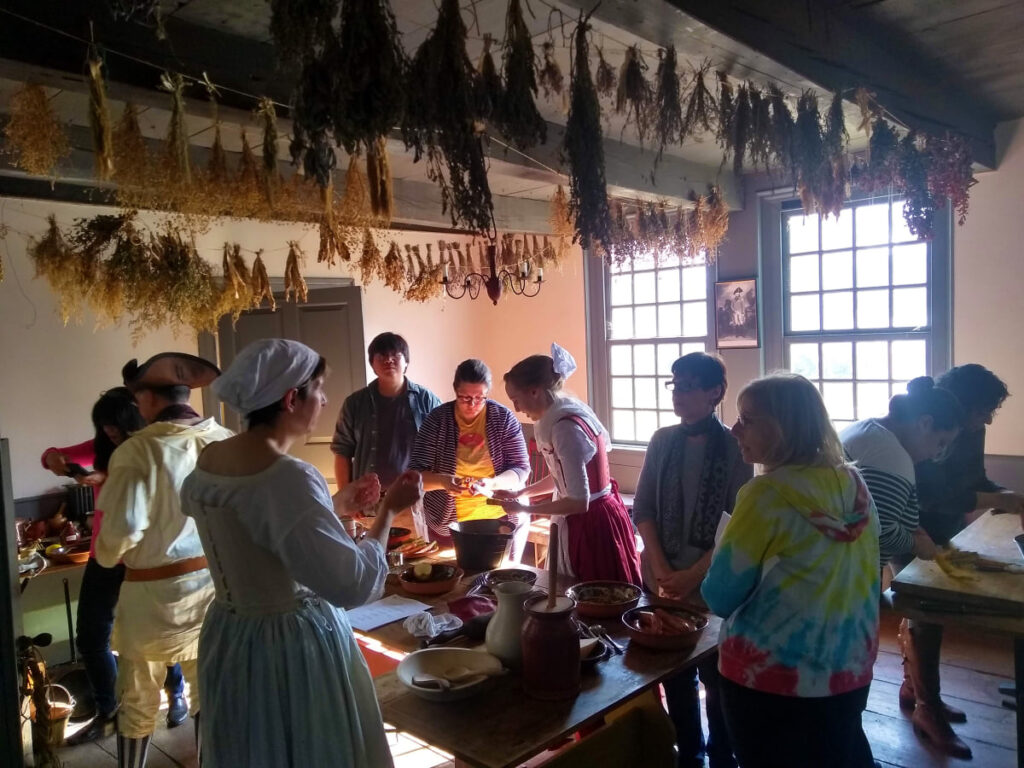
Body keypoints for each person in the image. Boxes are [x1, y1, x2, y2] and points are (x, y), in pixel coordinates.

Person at [181, 338, 423, 768]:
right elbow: (352, 584)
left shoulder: (211, 459)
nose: (326, 399)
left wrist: (338, 506)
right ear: (292, 398)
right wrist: (388, 510)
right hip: (289, 644)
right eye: (319, 389)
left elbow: (259, 534)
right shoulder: (288, 475)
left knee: (252, 743)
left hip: (231, 632)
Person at [702, 374, 879, 768]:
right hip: (849, 667)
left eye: (747, 419)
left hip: (771, 676)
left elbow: (719, 596)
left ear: (783, 428)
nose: (734, 430)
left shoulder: (765, 494)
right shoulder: (853, 483)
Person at [95, 353, 232, 768]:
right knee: (208, 692)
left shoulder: (138, 451)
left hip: (151, 596)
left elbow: (121, 531)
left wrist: (105, 553)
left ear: (147, 400)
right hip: (215, 589)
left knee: (138, 699)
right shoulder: (225, 439)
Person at [42, 389, 189, 744]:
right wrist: (58, 462)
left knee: (162, 633)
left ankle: (178, 694)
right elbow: (49, 455)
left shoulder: (152, 448)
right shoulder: (100, 447)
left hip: (147, 557)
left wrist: (103, 480)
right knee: (92, 636)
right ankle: (110, 710)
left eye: (114, 425)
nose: (109, 432)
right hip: (103, 556)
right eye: (103, 426)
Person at [633, 353, 751, 768]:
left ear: (715, 392)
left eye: (687, 385)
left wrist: (691, 575)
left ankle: (722, 753)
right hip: (662, 579)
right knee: (674, 674)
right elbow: (643, 508)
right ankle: (687, 749)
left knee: (718, 678)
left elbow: (736, 524)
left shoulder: (737, 447)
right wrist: (664, 571)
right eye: (674, 384)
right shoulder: (663, 440)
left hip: (712, 584)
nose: (677, 394)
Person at [906, 364, 1024, 759]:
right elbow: (930, 497)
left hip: (946, 525)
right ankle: (928, 709)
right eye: (984, 410)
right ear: (962, 405)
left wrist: (1009, 494)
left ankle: (915, 690)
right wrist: (997, 500)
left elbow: (975, 481)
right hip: (914, 525)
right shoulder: (931, 424)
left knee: (925, 616)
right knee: (927, 614)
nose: (987, 419)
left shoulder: (971, 426)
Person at [492, 344, 641, 584]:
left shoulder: (565, 429)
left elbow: (578, 501)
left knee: (591, 592)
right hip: (590, 515)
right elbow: (562, 477)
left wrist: (525, 509)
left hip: (591, 524)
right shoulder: (560, 417)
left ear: (534, 391)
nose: (516, 408)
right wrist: (522, 492)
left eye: (516, 400)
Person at [841, 377, 964, 569]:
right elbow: (877, 531)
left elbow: (878, 513)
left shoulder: (866, 429)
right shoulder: (891, 456)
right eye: (941, 443)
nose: (936, 453)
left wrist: (914, 529)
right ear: (925, 423)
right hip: (847, 572)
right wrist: (917, 545)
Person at [410, 359, 531, 555]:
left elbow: (521, 469)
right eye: (465, 397)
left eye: (479, 398)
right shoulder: (437, 420)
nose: (472, 404)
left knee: (502, 578)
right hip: (449, 522)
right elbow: (415, 476)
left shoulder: (503, 418)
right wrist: (444, 481)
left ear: (487, 394)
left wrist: (491, 483)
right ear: (455, 391)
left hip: (500, 518)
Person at [331, 332, 441, 490]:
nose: (389, 360)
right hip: (369, 499)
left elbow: (444, 448)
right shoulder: (355, 403)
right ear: (372, 363)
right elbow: (342, 452)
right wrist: (346, 497)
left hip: (417, 499)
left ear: (406, 361)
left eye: (395, 354)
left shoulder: (427, 400)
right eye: (382, 356)